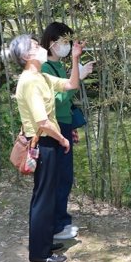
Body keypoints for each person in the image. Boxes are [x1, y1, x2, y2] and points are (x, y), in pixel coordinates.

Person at [9, 34, 82, 262]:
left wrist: (75, 59)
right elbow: (42, 122)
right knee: (43, 197)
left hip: (48, 143)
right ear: (25, 56)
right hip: (43, 143)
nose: (41, 48)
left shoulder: (41, 77)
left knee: (46, 196)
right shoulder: (29, 81)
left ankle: (43, 242)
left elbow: (71, 85)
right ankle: (40, 254)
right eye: (36, 46)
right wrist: (62, 139)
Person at [40, 22, 95, 240]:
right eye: (63, 42)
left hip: (64, 124)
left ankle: (61, 221)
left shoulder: (60, 66)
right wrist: (77, 78)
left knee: (65, 176)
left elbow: (66, 103)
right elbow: (59, 101)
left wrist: (71, 127)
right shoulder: (44, 68)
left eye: (68, 42)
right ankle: (54, 226)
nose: (66, 46)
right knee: (57, 177)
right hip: (53, 127)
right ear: (51, 43)